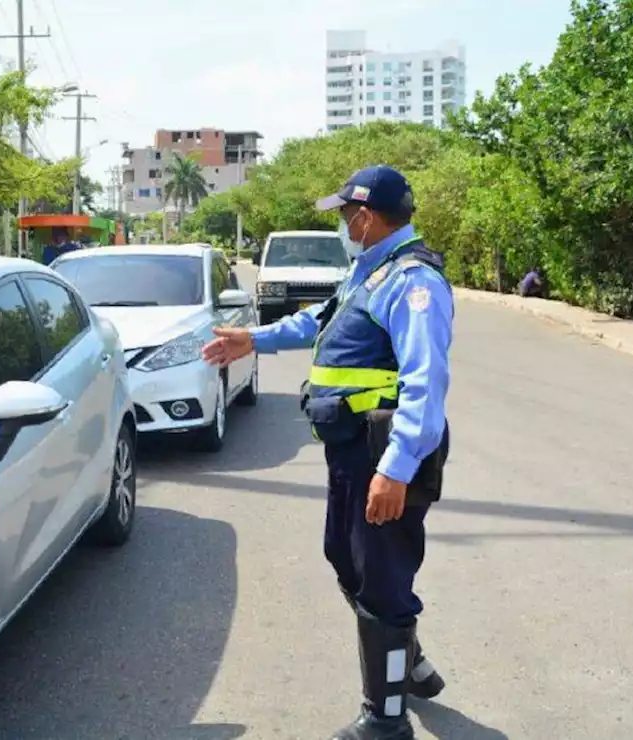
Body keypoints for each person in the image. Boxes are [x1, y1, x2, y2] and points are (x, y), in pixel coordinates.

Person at [203, 165, 453, 740]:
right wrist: (253, 338)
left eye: (344, 216)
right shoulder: (370, 272)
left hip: (383, 454)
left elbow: (425, 384)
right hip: (351, 452)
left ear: (365, 217)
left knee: (382, 580)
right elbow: (318, 323)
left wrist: (395, 470)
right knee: (345, 559)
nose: (343, 226)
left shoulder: (413, 283)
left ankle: (386, 722)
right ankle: (406, 662)